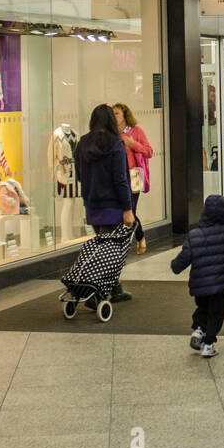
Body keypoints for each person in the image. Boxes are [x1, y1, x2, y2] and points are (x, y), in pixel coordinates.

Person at [171, 194, 224, 358]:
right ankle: (209, 344)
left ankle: (198, 331)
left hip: (200, 286)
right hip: (219, 286)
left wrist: (175, 266)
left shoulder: (194, 235)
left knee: (202, 309)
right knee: (216, 314)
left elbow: (183, 258)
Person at [75, 104, 135, 302]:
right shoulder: (115, 144)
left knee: (102, 247)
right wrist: (128, 208)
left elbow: (79, 174)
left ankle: (114, 287)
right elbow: (120, 179)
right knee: (109, 251)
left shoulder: (82, 143)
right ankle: (95, 292)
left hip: (92, 203)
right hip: (113, 205)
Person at [114, 103, 154, 256]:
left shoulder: (136, 131)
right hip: (118, 176)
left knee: (131, 210)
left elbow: (149, 152)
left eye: (117, 113)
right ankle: (134, 238)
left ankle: (139, 237)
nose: (114, 116)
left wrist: (133, 144)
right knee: (120, 210)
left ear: (125, 116)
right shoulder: (112, 133)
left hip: (134, 175)